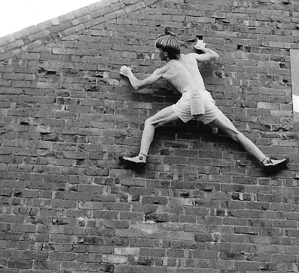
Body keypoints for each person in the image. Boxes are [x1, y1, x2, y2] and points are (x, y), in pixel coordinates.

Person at [119, 29, 288, 173]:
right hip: (205, 99)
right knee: (235, 134)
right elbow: (214, 55)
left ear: (166, 52)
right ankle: (265, 161)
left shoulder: (165, 68)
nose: (158, 54)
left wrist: (128, 73)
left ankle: (141, 157)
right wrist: (201, 48)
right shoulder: (191, 57)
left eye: (159, 51)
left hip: (189, 99)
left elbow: (138, 85)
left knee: (151, 122)